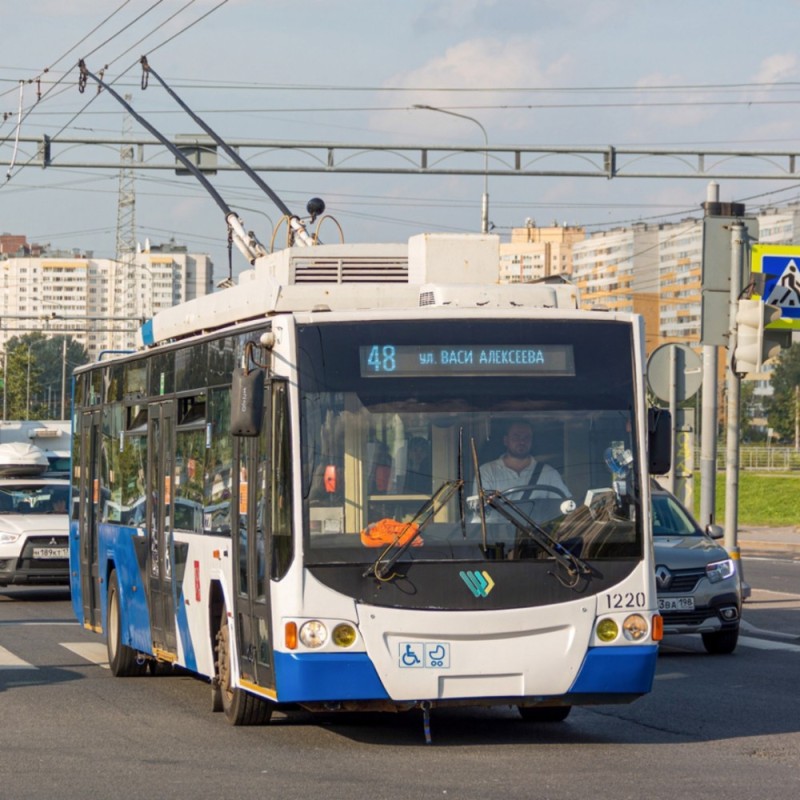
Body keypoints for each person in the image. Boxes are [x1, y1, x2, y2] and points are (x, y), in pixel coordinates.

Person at [477, 420, 570, 504]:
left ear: (532, 441)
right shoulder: (487, 472)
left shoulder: (549, 473)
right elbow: (480, 512)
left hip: (539, 523)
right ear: (506, 440)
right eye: (516, 437)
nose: (522, 442)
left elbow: (565, 507)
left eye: (526, 437)